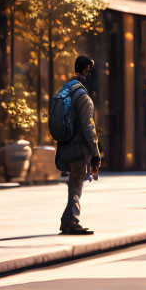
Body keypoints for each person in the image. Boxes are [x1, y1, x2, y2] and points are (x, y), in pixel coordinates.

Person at [53, 56, 101, 235]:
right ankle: (72, 220)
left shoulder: (67, 89)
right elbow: (88, 127)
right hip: (78, 148)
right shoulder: (83, 97)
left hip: (65, 145)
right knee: (77, 184)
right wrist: (96, 153)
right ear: (87, 69)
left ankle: (67, 220)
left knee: (74, 183)